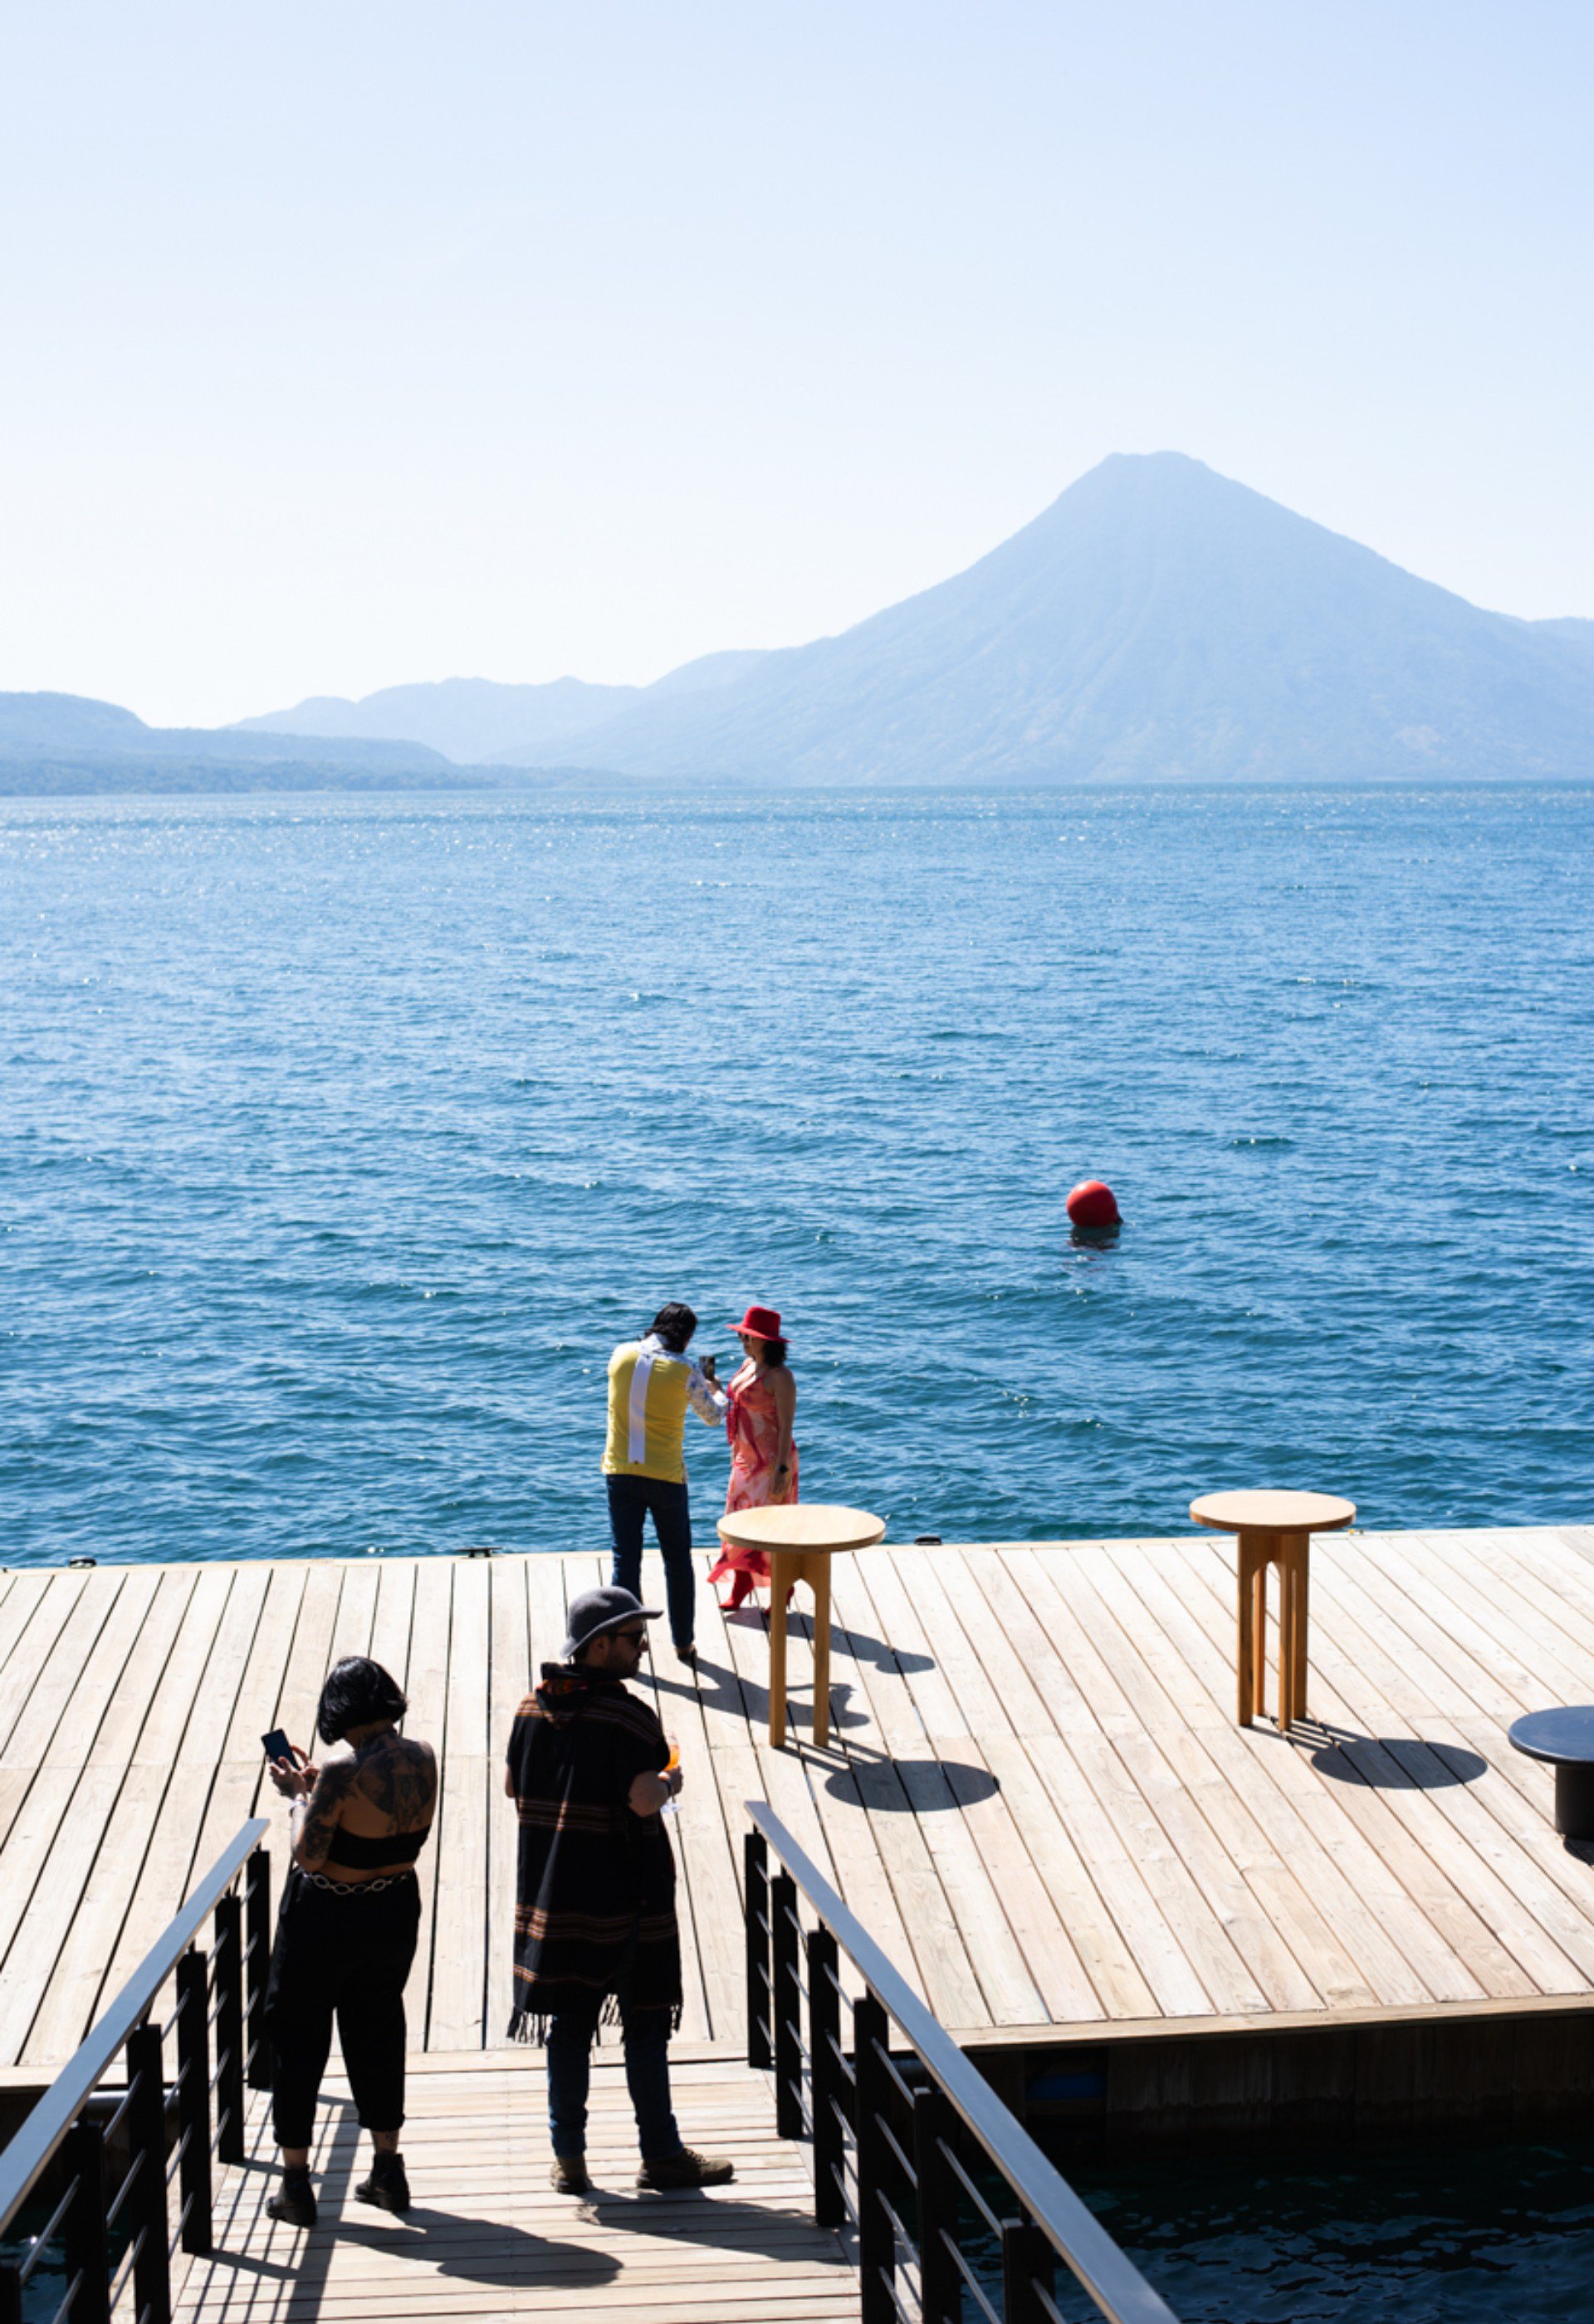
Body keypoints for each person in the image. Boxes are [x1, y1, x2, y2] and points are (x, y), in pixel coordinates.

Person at [503, 1585, 734, 2194]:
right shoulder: (628, 1715)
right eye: (634, 1638)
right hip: (625, 1897)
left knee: (569, 2027)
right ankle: (660, 2152)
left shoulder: (530, 1708)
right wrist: (668, 1779)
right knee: (645, 2023)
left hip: (555, 1897)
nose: (643, 1647)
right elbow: (641, 1798)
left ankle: (569, 2158)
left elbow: (510, 1784)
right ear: (598, 1646)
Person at [262, 1657, 437, 2228]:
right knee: (378, 2026)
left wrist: (297, 1797)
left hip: (327, 1914)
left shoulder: (338, 1771)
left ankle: (295, 2184)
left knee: (299, 2034)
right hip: (392, 1907)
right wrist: (324, 1792)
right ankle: (389, 2169)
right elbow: (382, 1822)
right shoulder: (423, 1755)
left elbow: (310, 1854)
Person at [604, 1302, 726, 1662]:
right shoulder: (686, 1369)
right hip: (666, 1477)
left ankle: (626, 1644)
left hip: (620, 1472)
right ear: (686, 1337)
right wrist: (718, 1389)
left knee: (625, 1560)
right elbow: (713, 1416)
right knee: (677, 1560)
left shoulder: (620, 1355)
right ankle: (683, 1642)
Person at [707, 1305, 799, 1612]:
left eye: (750, 1336)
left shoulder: (780, 1377)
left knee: (770, 1528)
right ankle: (741, 1582)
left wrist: (782, 1469)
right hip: (744, 1459)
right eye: (743, 1335)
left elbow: (787, 1424)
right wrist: (716, 1388)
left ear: (767, 1341)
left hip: (773, 1461)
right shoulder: (747, 1366)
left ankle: (781, 1587)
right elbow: (737, 1403)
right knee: (738, 1523)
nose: (743, 1340)